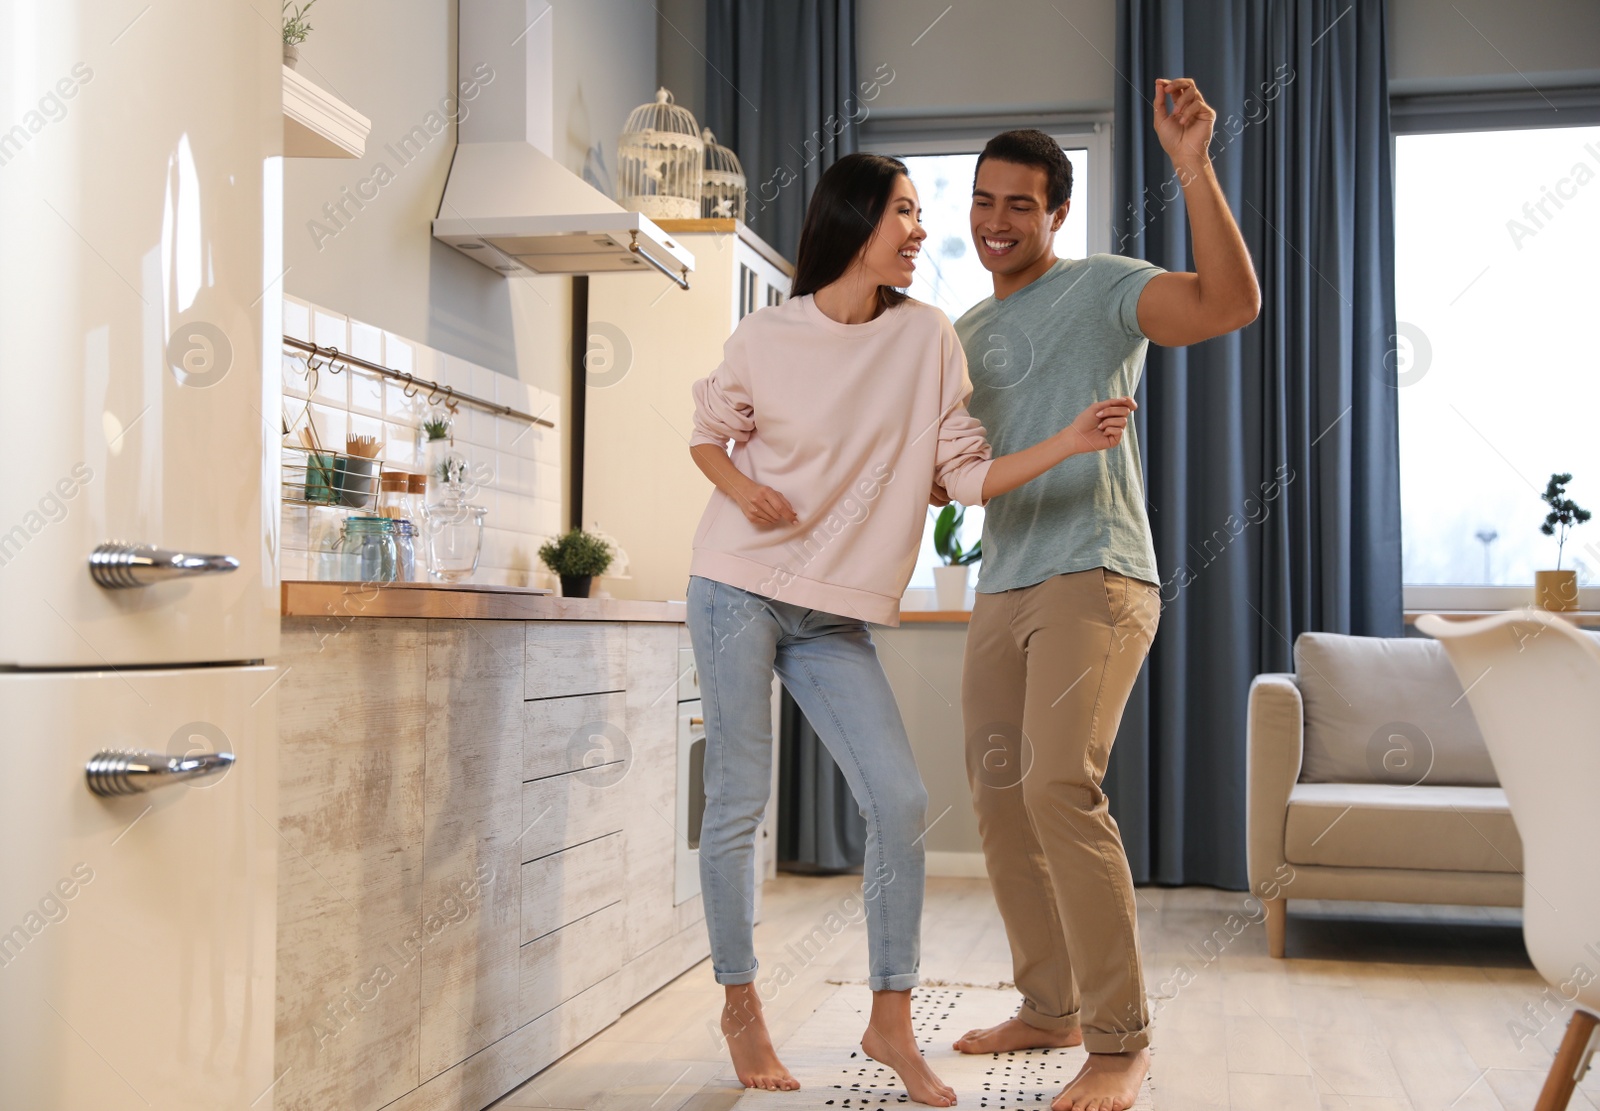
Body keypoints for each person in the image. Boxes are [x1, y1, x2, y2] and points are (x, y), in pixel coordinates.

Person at [686, 151, 1139, 1107]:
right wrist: (746, 490)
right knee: (737, 800)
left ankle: (890, 1017)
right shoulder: (767, 334)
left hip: (832, 613)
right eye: (905, 211)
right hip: (734, 585)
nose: (925, 231)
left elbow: (966, 475)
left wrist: (1067, 440)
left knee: (897, 801)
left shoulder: (929, 337)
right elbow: (707, 432)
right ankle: (740, 1002)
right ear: (857, 220)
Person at [949, 79, 1261, 1111]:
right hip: (1001, 581)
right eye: (984, 201)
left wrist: (1192, 167)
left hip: (1096, 571)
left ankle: (1119, 1038)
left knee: (1056, 788)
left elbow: (1228, 305)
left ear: (1057, 214)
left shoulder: (1100, 287)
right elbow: (936, 465)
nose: (998, 222)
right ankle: (1048, 1005)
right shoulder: (957, 332)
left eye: (1020, 205)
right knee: (999, 799)